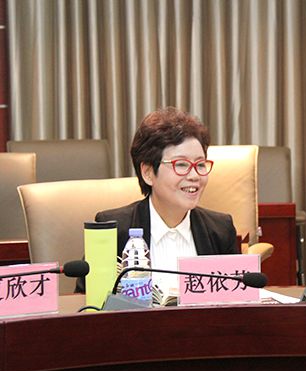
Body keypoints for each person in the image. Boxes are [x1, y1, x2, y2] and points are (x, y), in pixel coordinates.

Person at [75, 107, 238, 294]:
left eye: (200, 164)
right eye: (181, 164)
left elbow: (236, 300)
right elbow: (87, 303)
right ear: (148, 173)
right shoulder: (113, 230)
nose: (194, 175)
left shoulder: (220, 230)